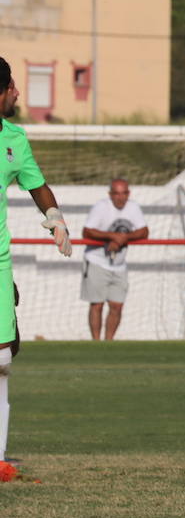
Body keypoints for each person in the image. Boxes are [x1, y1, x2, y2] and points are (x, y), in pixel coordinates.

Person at [0, 57, 74, 479]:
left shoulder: (15, 138)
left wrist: (56, 218)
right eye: (11, 86)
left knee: (3, 358)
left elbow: (36, 185)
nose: (17, 93)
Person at [80, 178, 149, 341]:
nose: (120, 197)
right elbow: (87, 232)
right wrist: (112, 236)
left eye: (124, 193)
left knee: (117, 305)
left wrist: (122, 238)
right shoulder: (101, 207)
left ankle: (108, 343)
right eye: (116, 194)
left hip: (119, 265)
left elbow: (144, 232)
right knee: (97, 304)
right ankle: (96, 343)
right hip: (97, 262)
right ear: (110, 194)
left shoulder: (133, 207)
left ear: (129, 194)